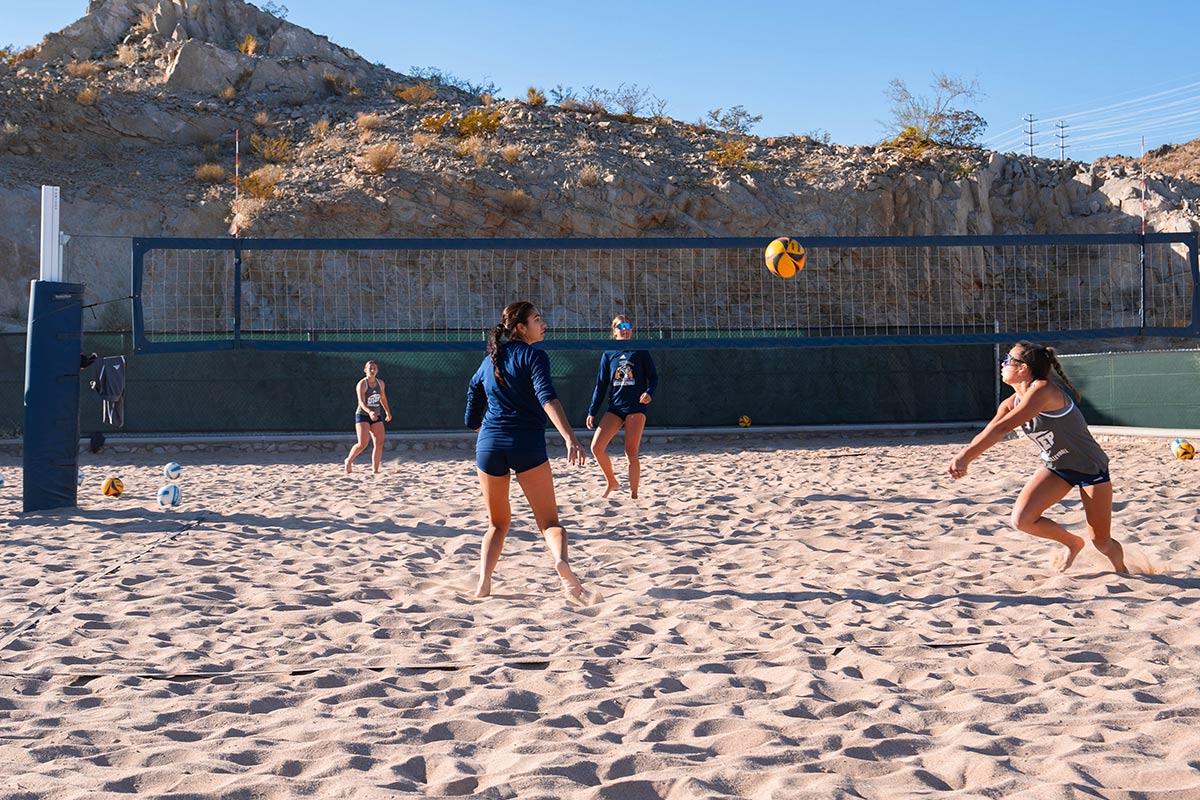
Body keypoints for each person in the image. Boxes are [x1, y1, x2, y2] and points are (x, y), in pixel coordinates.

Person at [947, 341, 1126, 573]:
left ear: (1022, 369)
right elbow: (991, 430)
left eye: (1008, 360)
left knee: (1101, 541)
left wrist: (964, 457)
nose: (1003, 364)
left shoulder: (1043, 391)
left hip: (1090, 469)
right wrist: (965, 456)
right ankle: (1073, 542)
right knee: (1022, 520)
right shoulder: (1010, 403)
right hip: (1057, 467)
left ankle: (1123, 571)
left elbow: (1003, 429)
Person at [465, 301, 589, 604]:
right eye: (537, 319)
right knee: (549, 523)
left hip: (489, 447)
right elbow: (547, 397)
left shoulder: (488, 362)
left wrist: (480, 426)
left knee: (497, 523)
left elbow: (471, 406)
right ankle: (561, 564)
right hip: (526, 445)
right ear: (521, 328)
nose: (543, 324)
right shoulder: (534, 356)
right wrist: (570, 438)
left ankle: (484, 582)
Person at [586, 315, 658, 498]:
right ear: (614, 331)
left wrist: (649, 392)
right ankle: (612, 481)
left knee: (631, 451)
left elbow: (654, 377)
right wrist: (592, 412)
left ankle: (634, 495)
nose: (625, 329)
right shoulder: (608, 354)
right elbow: (601, 385)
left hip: (636, 407)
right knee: (596, 447)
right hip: (616, 407)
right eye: (620, 327)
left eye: (628, 326)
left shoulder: (640, 351)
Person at [344, 360, 392, 474]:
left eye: (374, 368)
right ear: (365, 370)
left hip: (376, 416)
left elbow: (383, 398)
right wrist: (370, 412)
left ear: (377, 370)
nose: (372, 370)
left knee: (379, 442)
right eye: (370, 368)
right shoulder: (362, 384)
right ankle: (349, 460)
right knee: (363, 444)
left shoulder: (380, 383)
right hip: (363, 415)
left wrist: (387, 412)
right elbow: (361, 402)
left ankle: (375, 470)